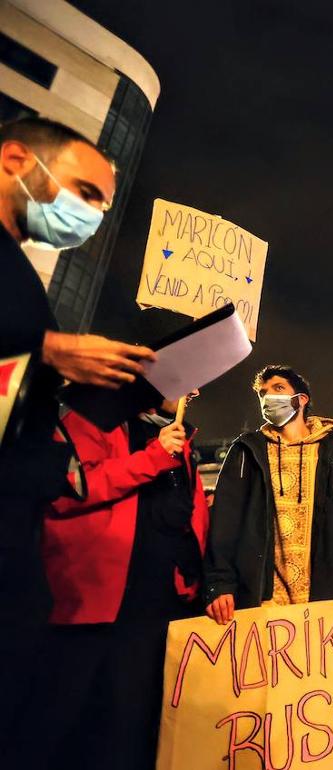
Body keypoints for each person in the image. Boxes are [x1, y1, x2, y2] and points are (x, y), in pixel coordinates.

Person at [0, 117, 155, 744]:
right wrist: (49, 349)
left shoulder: (16, 269)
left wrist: (69, 374)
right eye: (86, 192)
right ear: (17, 160)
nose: (90, 216)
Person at [13, 397, 208, 769]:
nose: (192, 390)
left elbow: (189, 511)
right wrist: (153, 456)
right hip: (96, 601)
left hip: (162, 599)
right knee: (71, 723)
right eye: (187, 377)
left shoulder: (179, 436)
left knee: (140, 722)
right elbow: (68, 491)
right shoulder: (88, 419)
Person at [203, 365, 333, 623]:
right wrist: (219, 584)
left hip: (323, 600)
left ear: (301, 399)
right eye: (263, 393)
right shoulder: (246, 452)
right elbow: (226, 523)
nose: (268, 397)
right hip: (263, 600)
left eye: (278, 388)